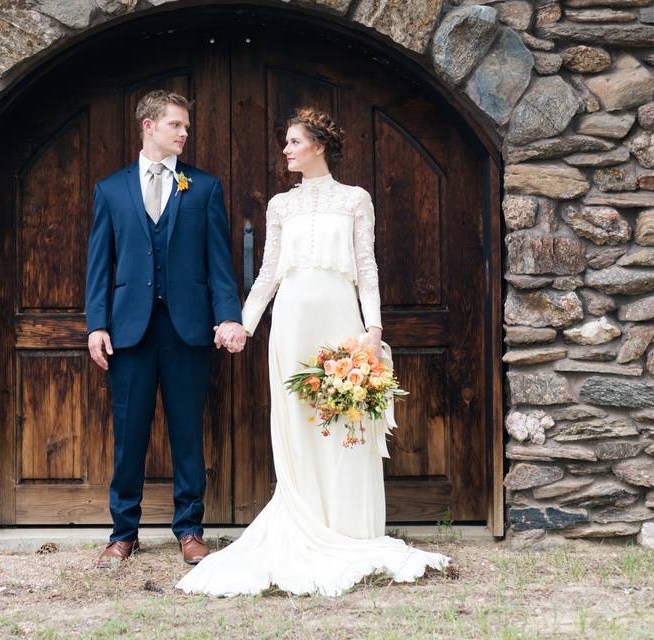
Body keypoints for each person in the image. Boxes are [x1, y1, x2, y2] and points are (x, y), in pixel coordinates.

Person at [177, 107, 451, 596]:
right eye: (286, 143)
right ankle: (304, 516)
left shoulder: (355, 200)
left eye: (293, 142)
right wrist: (244, 325)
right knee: (299, 423)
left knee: (345, 419)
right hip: (291, 323)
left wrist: (373, 328)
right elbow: (267, 275)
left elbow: (367, 268)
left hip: (340, 320)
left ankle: (349, 527)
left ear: (318, 146)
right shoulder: (281, 205)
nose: (285, 150)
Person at [85, 90, 248, 569]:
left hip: (188, 331)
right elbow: (100, 264)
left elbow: (220, 262)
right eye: (176, 125)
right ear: (148, 126)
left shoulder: (203, 187)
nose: (184, 133)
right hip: (128, 332)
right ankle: (123, 533)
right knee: (129, 436)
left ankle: (191, 531)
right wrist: (97, 324)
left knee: (187, 433)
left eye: (186, 127)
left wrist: (229, 315)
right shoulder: (111, 190)